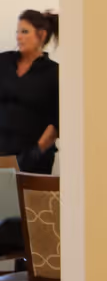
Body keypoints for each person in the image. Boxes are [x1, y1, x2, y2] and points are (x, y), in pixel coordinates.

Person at [0, 10, 59, 173]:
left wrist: (35, 153)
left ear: (41, 35)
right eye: (18, 32)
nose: (19, 37)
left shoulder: (54, 72)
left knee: (27, 199)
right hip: (2, 156)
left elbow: (57, 121)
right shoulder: (3, 61)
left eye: (25, 32)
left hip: (33, 161)